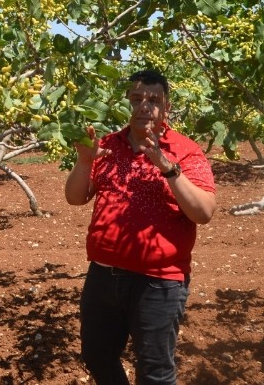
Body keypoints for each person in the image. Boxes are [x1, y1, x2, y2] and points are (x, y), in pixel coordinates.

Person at [64, 70, 216, 385]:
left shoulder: (185, 151)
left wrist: (167, 167)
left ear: (167, 108)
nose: (144, 106)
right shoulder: (106, 145)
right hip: (103, 276)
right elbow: (75, 197)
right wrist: (83, 161)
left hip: (158, 283)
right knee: (97, 356)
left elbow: (203, 212)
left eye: (153, 100)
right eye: (136, 98)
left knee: (155, 372)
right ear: (126, 103)